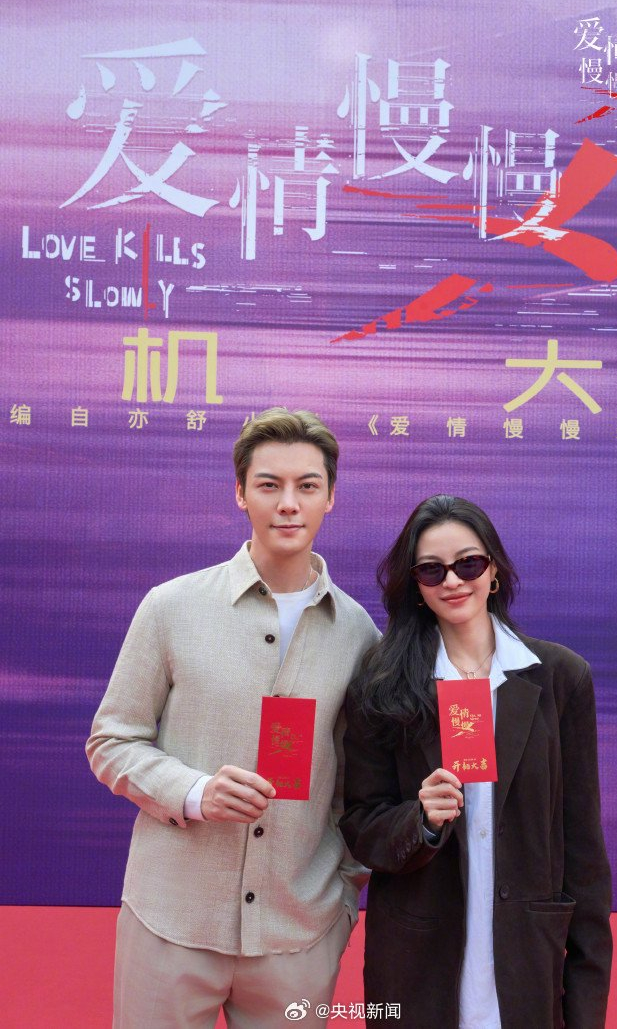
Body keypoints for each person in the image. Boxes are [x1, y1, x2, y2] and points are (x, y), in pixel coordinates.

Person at [87, 408, 379, 1029]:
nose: (288, 504)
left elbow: (363, 783)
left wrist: (342, 898)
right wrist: (195, 792)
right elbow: (111, 741)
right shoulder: (171, 607)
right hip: (171, 919)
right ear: (241, 492)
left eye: (307, 485)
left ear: (330, 496)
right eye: (269, 485)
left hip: (298, 931)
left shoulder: (359, 635)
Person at [340, 495, 612, 1029]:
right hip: (419, 968)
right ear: (415, 586)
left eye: (468, 563)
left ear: (494, 571)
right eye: (431, 569)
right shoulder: (382, 685)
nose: (452, 581)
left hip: (527, 965)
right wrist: (419, 821)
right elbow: (360, 826)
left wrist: (584, 1006)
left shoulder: (561, 678)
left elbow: (583, 851)